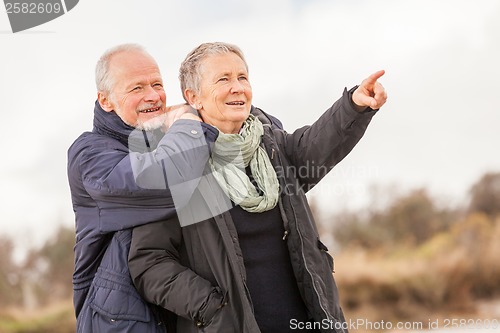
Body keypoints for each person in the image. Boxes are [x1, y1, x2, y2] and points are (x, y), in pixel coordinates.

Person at [128, 42, 387, 333]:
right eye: (223, 79)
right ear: (193, 97)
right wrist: (210, 307)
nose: (237, 87)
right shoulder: (177, 166)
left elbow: (315, 146)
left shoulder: (272, 147)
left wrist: (354, 106)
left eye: (242, 77)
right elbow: (149, 263)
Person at [67, 43, 215, 333]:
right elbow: (167, 178)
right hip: (120, 324)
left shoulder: (169, 139)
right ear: (106, 100)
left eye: (157, 84)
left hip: (181, 315)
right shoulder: (89, 155)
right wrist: (189, 120)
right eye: (137, 88)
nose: (154, 96)